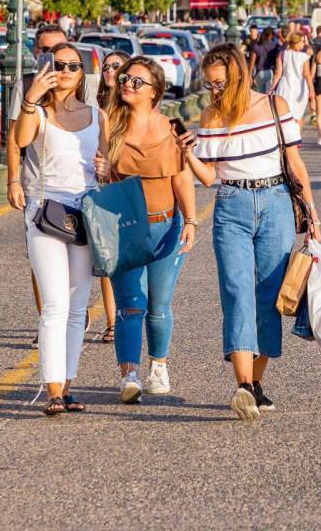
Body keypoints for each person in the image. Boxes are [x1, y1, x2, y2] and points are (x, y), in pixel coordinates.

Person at [180, 44, 321, 420]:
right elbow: (209, 177)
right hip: (232, 206)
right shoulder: (210, 117)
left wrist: (313, 218)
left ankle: (256, 383)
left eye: (219, 83)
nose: (214, 91)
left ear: (239, 74)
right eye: (209, 85)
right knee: (236, 292)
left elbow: (295, 164)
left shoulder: (276, 107)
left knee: (269, 297)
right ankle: (242, 385)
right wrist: (189, 154)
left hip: (275, 202)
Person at [13, 42, 107, 416]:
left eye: (73, 65)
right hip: (46, 212)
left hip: (85, 212)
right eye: (59, 64)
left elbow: (106, 160)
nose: (65, 71)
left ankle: (67, 386)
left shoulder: (96, 114)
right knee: (54, 304)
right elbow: (20, 141)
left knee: (78, 306)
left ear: (82, 73)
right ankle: (52, 390)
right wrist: (30, 98)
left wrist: (104, 167)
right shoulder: (38, 110)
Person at [97, 57, 196, 403]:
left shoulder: (172, 128)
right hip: (123, 227)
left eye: (137, 81)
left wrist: (192, 220)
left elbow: (182, 178)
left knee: (158, 304)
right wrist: (103, 168)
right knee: (130, 304)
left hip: (166, 226)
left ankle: (158, 365)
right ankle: (130, 375)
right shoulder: (110, 125)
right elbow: (104, 180)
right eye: (126, 78)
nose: (127, 84)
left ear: (155, 91)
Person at [7, 23, 68, 345]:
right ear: (36, 53)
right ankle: (46, 322)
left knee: (76, 259)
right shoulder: (26, 85)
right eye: (47, 50)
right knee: (39, 258)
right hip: (36, 186)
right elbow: (14, 137)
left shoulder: (80, 82)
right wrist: (13, 180)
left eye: (60, 49)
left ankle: (71, 316)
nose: (54, 57)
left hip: (75, 185)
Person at [92, 50, 130, 344]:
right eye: (106, 66)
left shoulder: (134, 107)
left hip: (129, 186)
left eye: (116, 66)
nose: (109, 70)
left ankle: (133, 314)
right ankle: (112, 321)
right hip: (102, 186)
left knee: (131, 258)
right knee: (107, 260)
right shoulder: (95, 106)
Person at [271, 31, 314, 129]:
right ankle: (297, 141)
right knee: (298, 117)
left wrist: (271, 88)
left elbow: (278, 74)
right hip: (300, 88)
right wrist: (312, 90)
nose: (304, 43)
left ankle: (285, 140)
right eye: (302, 41)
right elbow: (307, 74)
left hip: (285, 87)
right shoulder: (304, 57)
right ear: (297, 42)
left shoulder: (282, 54)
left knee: (283, 116)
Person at [249, 27, 280, 94]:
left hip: (260, 72)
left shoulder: (256, 45)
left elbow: (252, 62)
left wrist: (249, 75)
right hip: (270, 72)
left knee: (260, 96)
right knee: (269, 96)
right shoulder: (274, 46)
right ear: (271, 35)